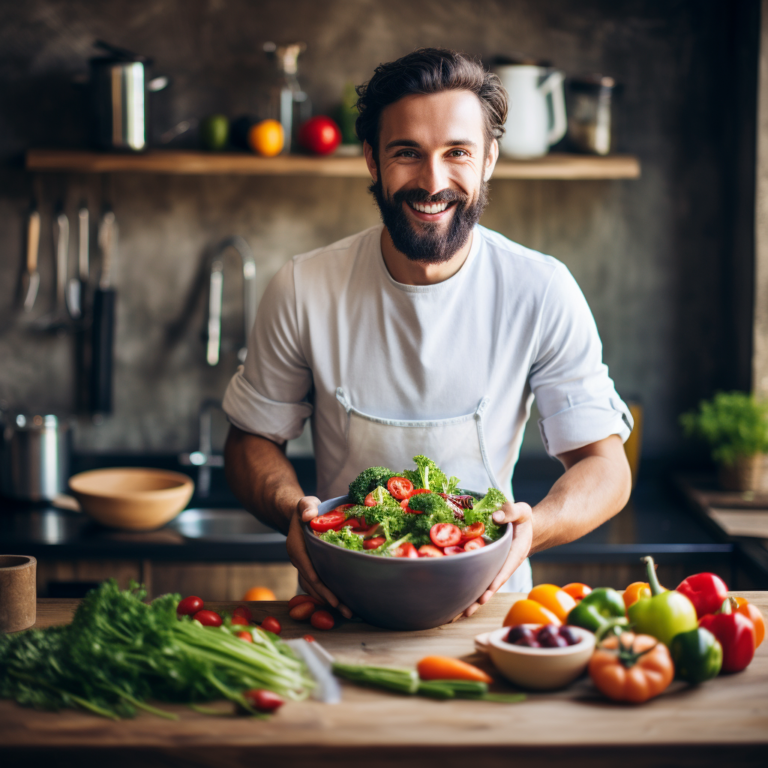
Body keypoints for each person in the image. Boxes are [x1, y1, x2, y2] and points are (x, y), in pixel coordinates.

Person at [223, 48, 633, 619]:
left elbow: (605, 467)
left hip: (492, 611)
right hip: (341, 606)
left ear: (489, 159)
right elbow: (249, 442)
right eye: (407, 153)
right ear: (372, 159)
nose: (433, 181)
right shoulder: (303, 287)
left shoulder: (541, 289)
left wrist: (532, 529)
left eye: (457, 152)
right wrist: (294, 510)